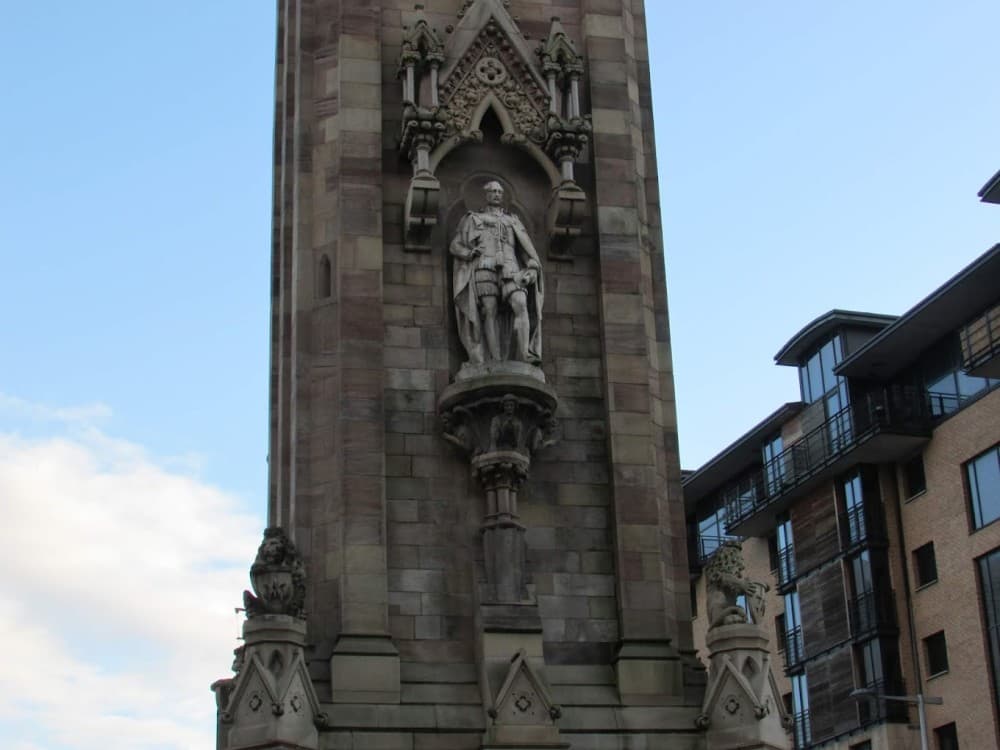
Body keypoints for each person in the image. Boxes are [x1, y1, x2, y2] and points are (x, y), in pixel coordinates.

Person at [450, 181, 543, 365]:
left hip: (511, 267)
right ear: (486, 195)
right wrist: (469, 254)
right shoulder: (473, 218)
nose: (497, 194)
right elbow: (455, 245)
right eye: (493, 191)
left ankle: (525, 353)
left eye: (500, 191)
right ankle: (495, 359)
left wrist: (532, 268)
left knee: (520, 303)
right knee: (489, 310)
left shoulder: (513, 220)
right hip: (484, 265)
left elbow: (527, 253)